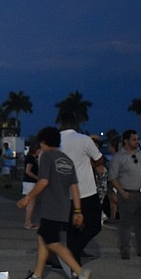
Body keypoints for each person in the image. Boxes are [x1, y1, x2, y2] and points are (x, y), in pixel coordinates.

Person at [16, 126, 92, 279]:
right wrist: (78, 211)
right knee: (43, 238)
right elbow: (74, 188)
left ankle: (80, 272)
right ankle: (36, 276)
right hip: (64, 208)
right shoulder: (66, 159)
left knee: (53, 243)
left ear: (43, 142)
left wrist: (27, 198)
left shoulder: (47, 157)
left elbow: (43, 181)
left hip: (51, 208)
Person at [59, 111, 105, 264]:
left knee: (72, 228)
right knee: (94, 225)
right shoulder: (84, 140)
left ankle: (74, 261)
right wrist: (88, 163)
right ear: (76, 124)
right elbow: (100, 159)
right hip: (86, 190)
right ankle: (73, 251)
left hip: (65, 192)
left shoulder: (56, 141)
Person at [107, 129, 141, 260]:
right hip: (127, 194)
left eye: (137, 139)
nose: (137, 142)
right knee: (126, 224)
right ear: (126, 141)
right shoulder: (118, 158)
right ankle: (125, 249)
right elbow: (112, 177)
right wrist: (122, 192)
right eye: (134, 139)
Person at [21, 143, 40, 229]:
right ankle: (27, 222)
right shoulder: (30, 158)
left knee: (31, 202)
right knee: (31, 202)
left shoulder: (32, 158)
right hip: (30, 182)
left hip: (30, 182)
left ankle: (28, 221)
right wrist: (37, 177)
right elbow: (28, 171)